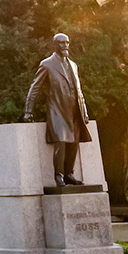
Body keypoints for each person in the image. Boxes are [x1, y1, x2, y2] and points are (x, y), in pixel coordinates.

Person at [23, 33, 94, 186]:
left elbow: (79, 90)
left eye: (67, 43)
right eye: (61, 43)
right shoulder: (47, 64)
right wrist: (28, 110)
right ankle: (59, 175)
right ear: (55, 45)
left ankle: (69, 173)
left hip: (74, 111)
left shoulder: (73, 65)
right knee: (61, 141)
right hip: (57, 109)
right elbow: (35, 87)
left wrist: (84, 112)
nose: (65, 46)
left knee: (74, 142)